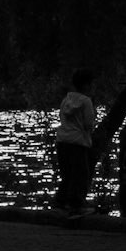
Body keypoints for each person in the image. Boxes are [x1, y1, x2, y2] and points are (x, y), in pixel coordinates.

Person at [54, 68, 96, 215]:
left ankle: (60, 201)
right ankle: (76, 204)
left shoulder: (66, 100)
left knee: (67, 175)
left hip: (62, 141)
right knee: (80, 174)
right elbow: (88, 124)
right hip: (78, 142)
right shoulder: (86, 102)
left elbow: (62, 118)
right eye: (91, 84)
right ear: (85, 85)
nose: (92, 87)